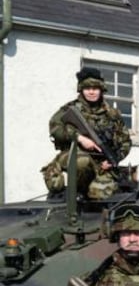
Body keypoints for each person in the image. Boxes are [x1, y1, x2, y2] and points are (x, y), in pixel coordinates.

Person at [41, 67, 131, 200]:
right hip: (73, 155)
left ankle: (86, 195)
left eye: (95, 88)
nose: (91, 92)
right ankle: (74, 191)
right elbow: (55, 128)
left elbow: (125, 141)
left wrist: (114, 159)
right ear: (81, 90)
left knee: (100, 195)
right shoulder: (70, 109)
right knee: (82, 161)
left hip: (102, 163)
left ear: (101, 90)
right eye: (87, 89)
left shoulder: (112, 114)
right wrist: (79, 138)